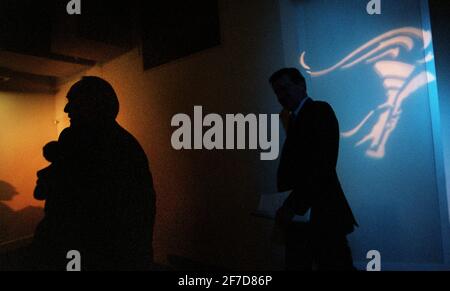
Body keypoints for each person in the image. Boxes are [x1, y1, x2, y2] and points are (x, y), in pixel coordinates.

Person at [31, 76, 156, 271]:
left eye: (73, 102)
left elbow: (118, 214)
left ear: (94, 104)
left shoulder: (118, 148)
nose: (66, 109)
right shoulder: (79, 139)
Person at [270, 68, 358, 270]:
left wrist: (290, 205)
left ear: (302, 85)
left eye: (284, 89)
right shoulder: (295, 118)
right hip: (306, 215)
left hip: (320, 213)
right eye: (277, 92)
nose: (281, 96)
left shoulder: (319, 111)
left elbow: (321, 166)